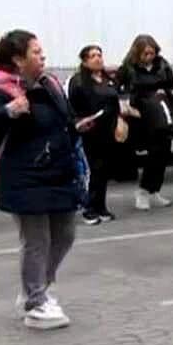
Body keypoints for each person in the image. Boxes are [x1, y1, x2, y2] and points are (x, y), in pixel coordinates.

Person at [0, 30, 83, 330]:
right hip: (24, 177)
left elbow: (64, 119)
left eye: (42, 51)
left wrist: (79, 127)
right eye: (35, 52)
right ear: (18, 60)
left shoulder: (50, 83)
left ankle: (37, 287)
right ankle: (35, 301)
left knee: (66, 234)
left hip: (57, 172)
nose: (42, 57)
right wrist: (7, 112)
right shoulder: (2, 91)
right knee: (36, 240)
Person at [116, 34, 173, 211]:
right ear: (138, 53)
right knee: (152, 152)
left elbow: (170, 86)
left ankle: (154, 190)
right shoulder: (128, 68)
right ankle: (143, 190)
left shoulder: (162, 65)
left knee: (164, 152)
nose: (149, 57)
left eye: (152, 53)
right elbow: (120, 90)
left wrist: (171, 94)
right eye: (145, 53)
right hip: (141, 115)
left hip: (161, 110)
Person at [67, 44, 123, 225]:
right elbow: (73, 109)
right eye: (92, 56)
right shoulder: (78, 82)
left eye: (99, 55)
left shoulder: (108, 79)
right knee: (92, 170)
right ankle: (88, 208)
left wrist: (120, 122)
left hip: (107, 131)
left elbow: (116, 103)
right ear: (84, 61)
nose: (97, 58)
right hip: (89, 132)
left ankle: (101, 206)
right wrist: (79, 122)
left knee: (104, 170)